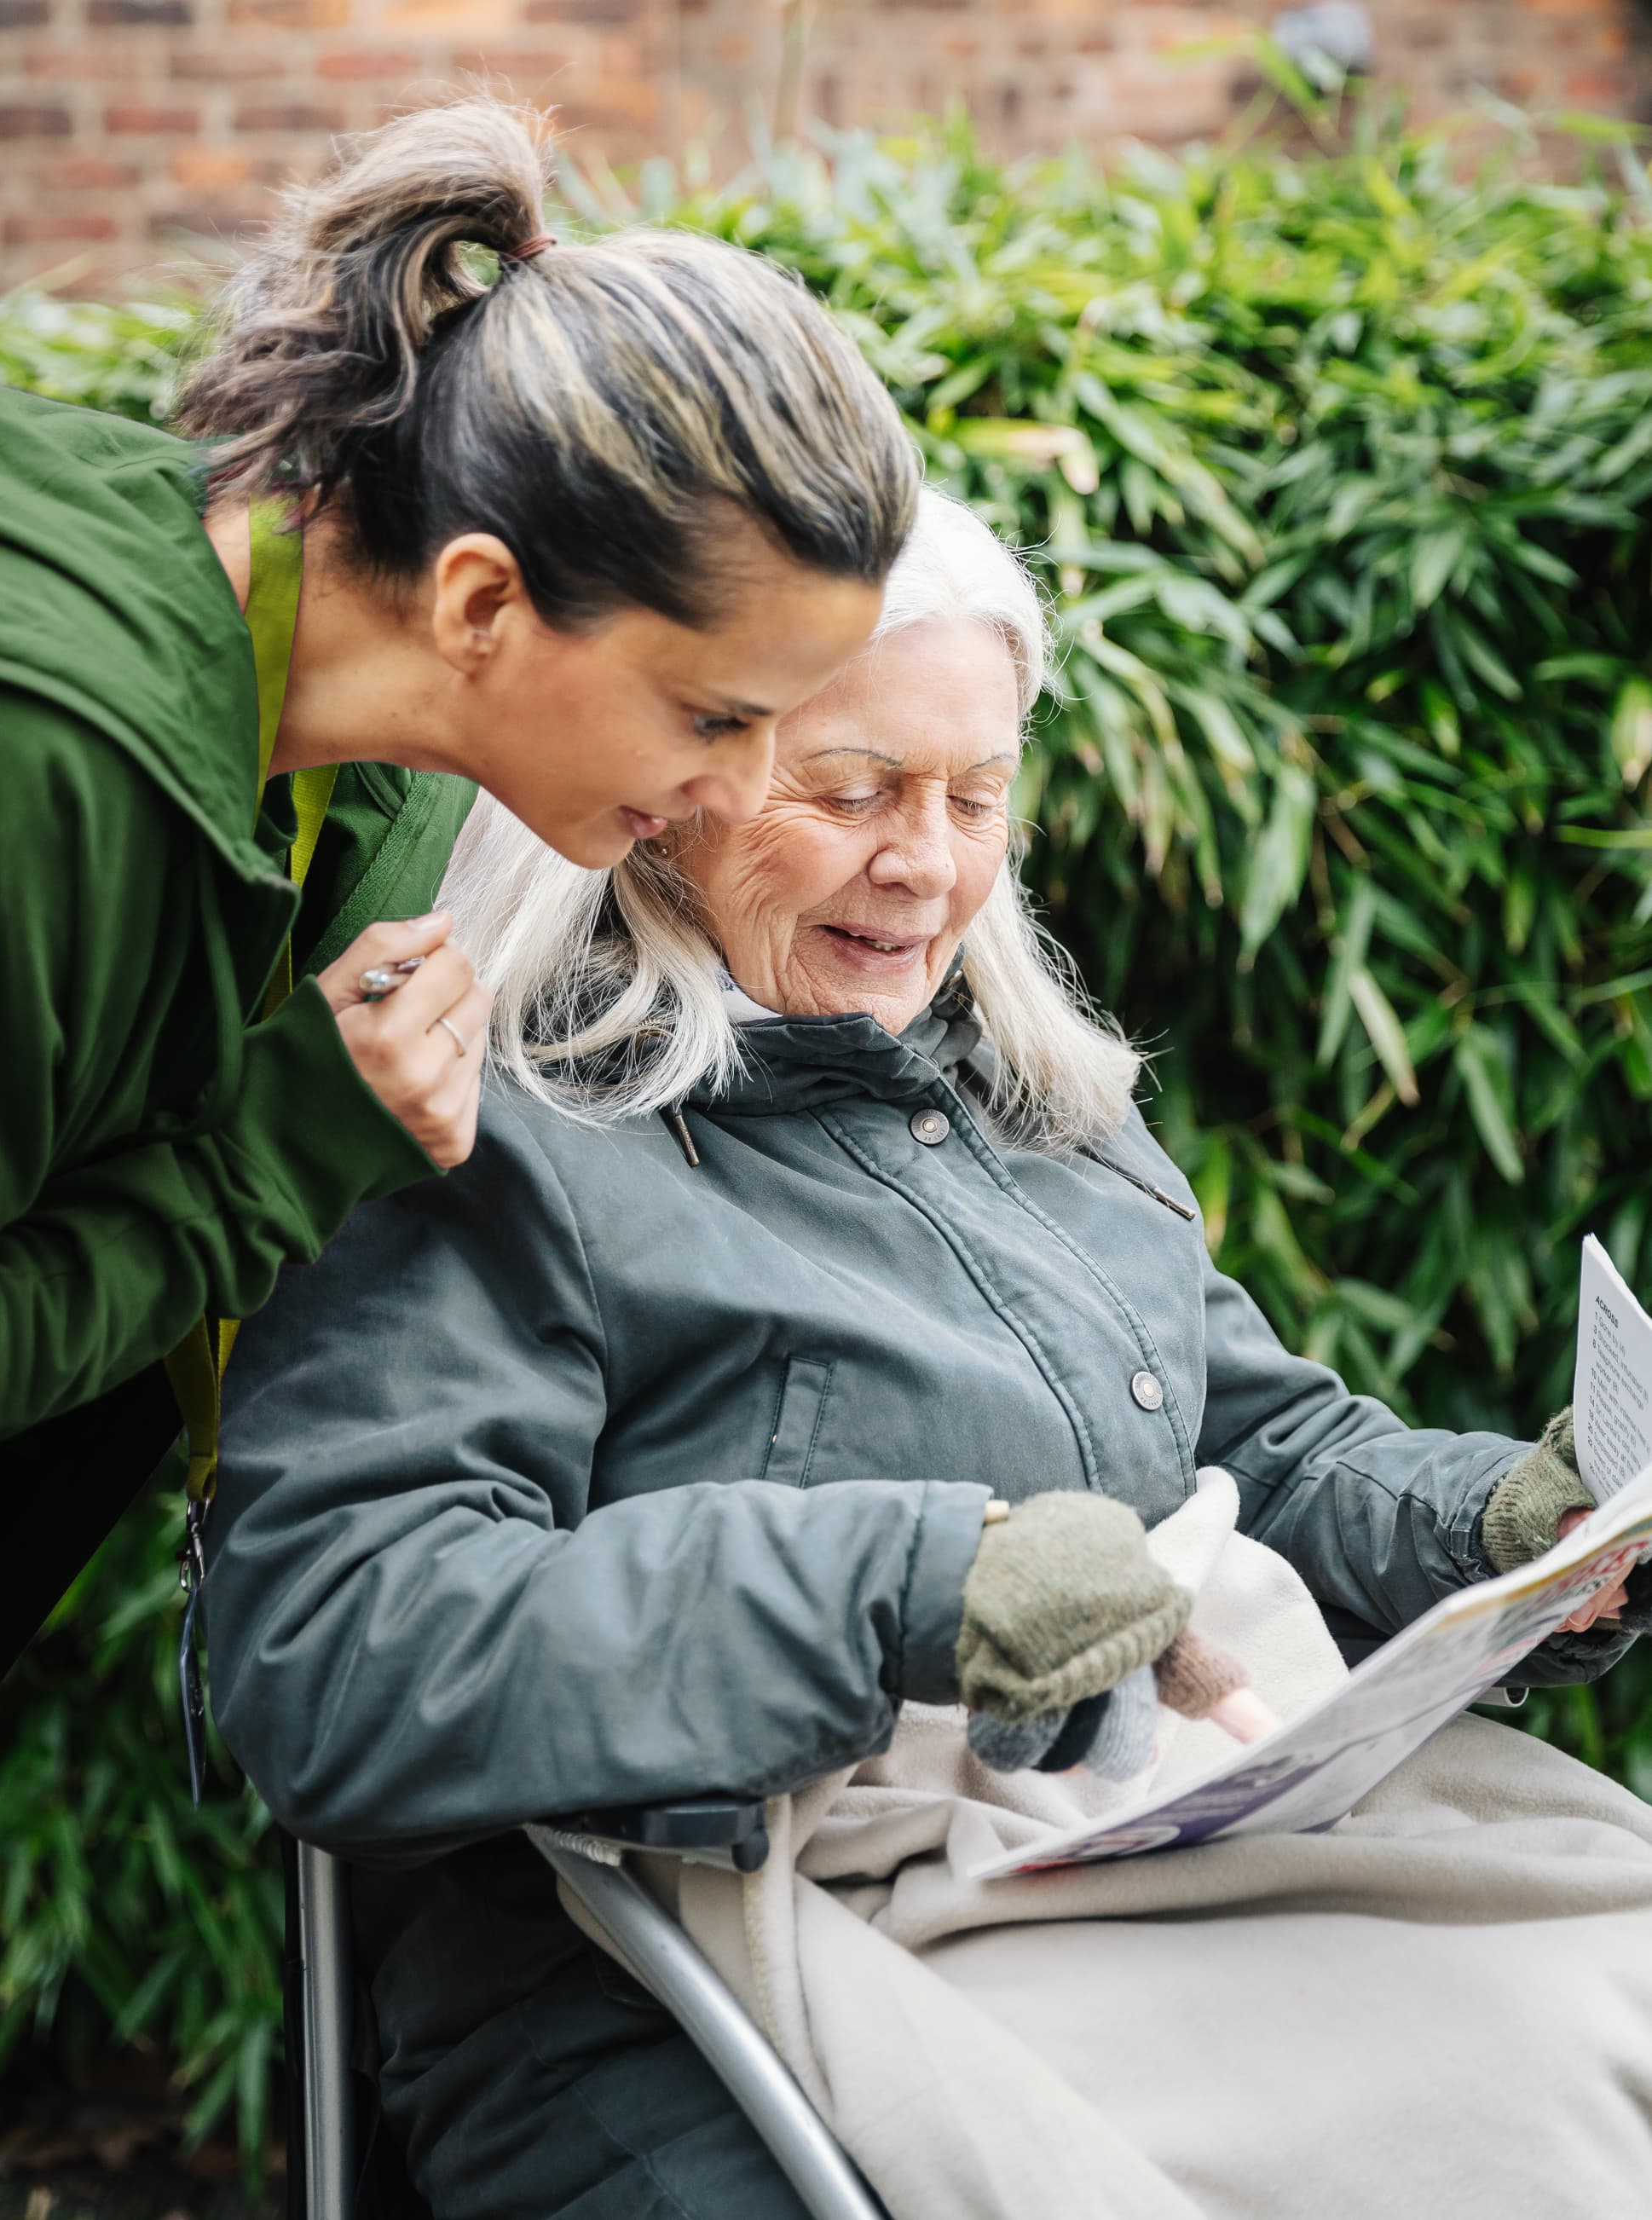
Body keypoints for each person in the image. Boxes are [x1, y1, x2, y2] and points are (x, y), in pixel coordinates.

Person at [200, 491, 1649, 2218]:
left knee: (1562, 2040)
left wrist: (1519, 1527)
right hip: (678, 1955)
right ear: (669, 786)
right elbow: (335, 1653)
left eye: (974, 798)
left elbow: (1257, 1453)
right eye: (850, 790)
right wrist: (910, 1582)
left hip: (1121, 1859)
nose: (928, 863)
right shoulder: (489, 1131)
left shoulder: (1034, 1108)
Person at [0, 91, 916, 2212]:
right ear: (476, 599)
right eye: (711, 722)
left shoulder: (348, 777)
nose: (733, 802)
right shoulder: (22, 764)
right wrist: (282, 1143)